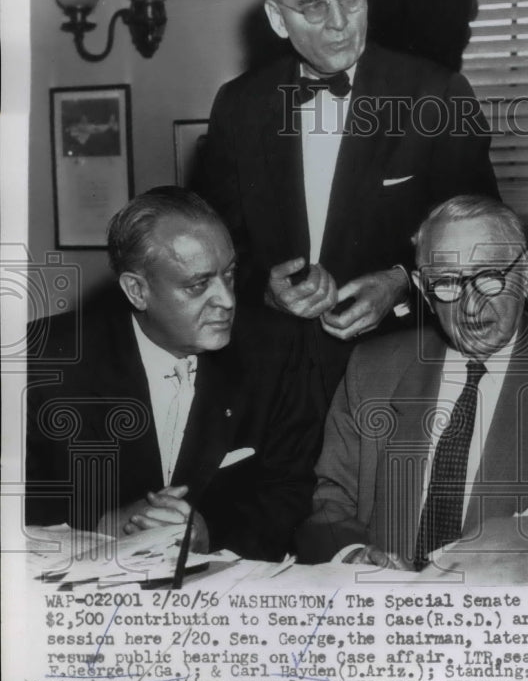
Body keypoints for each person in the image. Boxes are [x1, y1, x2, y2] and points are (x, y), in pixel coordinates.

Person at [295, 196, 528, 568]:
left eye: (489, 277)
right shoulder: (372, 369)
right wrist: (354, 555)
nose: (470, 305)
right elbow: (330, 507)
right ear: (424, 289)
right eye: (447, 282)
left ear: (526, 273)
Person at [196, 0, 499, 407]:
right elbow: (217, 242)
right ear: (278, 19)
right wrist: (264, 290)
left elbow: (485, 241)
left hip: (395, 371)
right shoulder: (238, 105)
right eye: (314, 6)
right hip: (269, 377)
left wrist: (401, 282)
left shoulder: (437, 94)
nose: (339, 23)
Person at [25, 188, 320, 562]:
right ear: (137, 290)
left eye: (229, 274)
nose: (227, 300)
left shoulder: (276, 349)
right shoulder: (46, 358)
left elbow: (290, 491)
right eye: (198, 285)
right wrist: (103, 524)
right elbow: (17, 495)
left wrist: (210, 534)